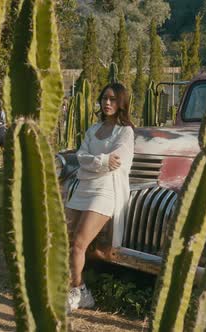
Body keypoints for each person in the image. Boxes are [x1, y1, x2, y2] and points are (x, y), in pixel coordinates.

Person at [65, 83, 135, 311]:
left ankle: (78, 291)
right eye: (105, 98)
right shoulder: (92, 129)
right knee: (65, 240)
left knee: (78, 243)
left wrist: (95, 162)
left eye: (113, 99)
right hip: (83, 187)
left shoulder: (125, 132)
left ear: (121, 103)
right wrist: (102, 162)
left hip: (105, 191)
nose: (107, 103)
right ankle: (80, 290)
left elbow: (118, 160)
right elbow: (80, 156)